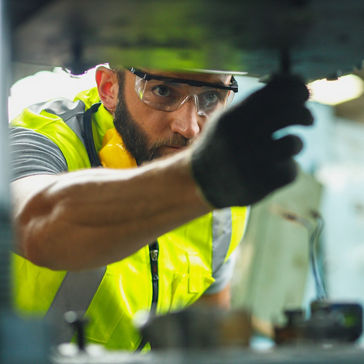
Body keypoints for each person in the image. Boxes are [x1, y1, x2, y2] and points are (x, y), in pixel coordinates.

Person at [9, 65, 312, 351]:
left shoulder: (222, 202)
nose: (189, 127)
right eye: (163, 91)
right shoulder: (44, 138)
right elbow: (36, 223)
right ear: (109, 88)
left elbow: (209, 334)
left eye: (210, 97)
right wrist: (195, 179)